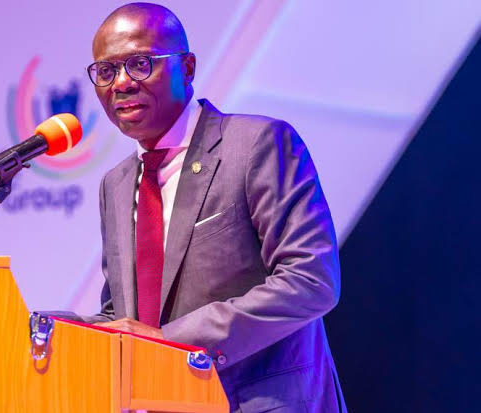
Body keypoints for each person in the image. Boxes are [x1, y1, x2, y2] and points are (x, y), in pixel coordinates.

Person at [77, 3, 347, 412]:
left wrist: (170, 342)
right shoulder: (115, 184)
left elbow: (310, 280)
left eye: (140, 64)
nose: (122, 83)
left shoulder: (255, 144)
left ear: (187, 68)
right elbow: (124, 312)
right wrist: (43, 331)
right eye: (106, 71)